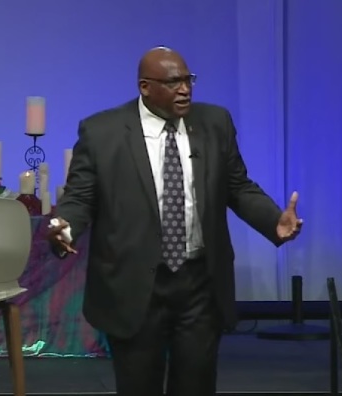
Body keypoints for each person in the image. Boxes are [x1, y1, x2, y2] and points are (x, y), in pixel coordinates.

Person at [48, 47, 303, 396]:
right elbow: (80, 197)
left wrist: (274, 221)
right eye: (173, 82)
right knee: (139, 387)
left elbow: (237, 186)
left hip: (199, 282)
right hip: (133, 284)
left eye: (188, 80)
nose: (185, 89)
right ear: (145, 87)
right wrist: (65, 227)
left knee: (196, 384)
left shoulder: (215, 123)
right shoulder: (101, 132)